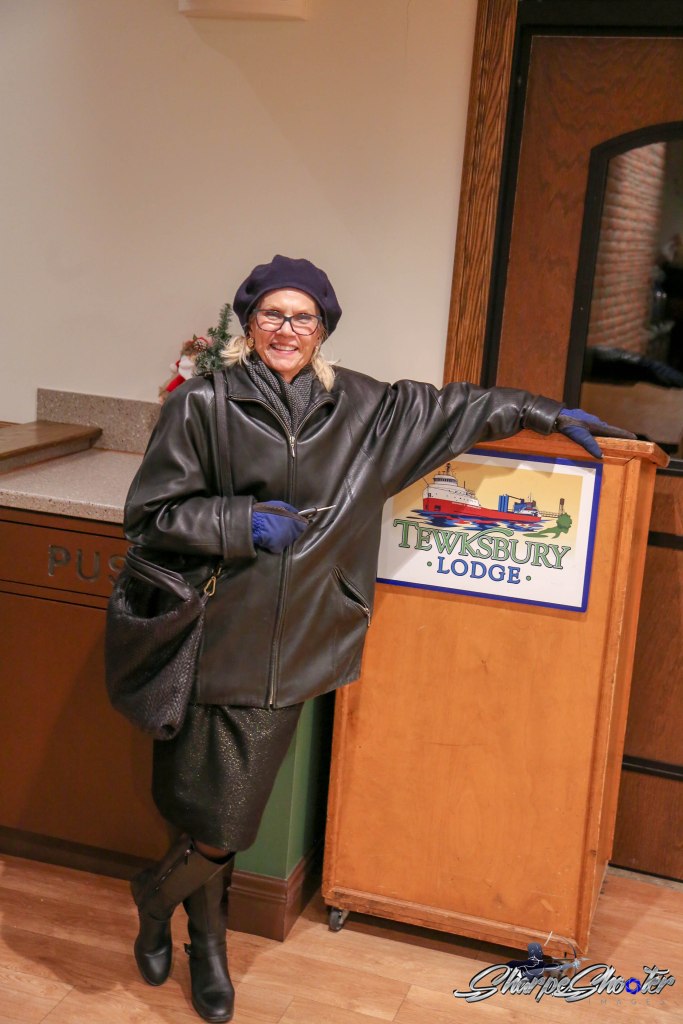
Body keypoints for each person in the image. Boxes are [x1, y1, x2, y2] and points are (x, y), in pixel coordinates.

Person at [122, 255, 632, 1023]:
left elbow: (453, 409)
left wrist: (541, 411)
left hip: (299, 641)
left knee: (226, 818)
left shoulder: (362, 408)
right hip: (210, 632)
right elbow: (150, 515)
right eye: (271, 314)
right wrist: (240, 522)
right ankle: (207, 945)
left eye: (302, 317)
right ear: (248, 324)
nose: (286, 329)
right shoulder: (202, 403)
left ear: (323, 328)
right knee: (205, 812)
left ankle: (158, 900)